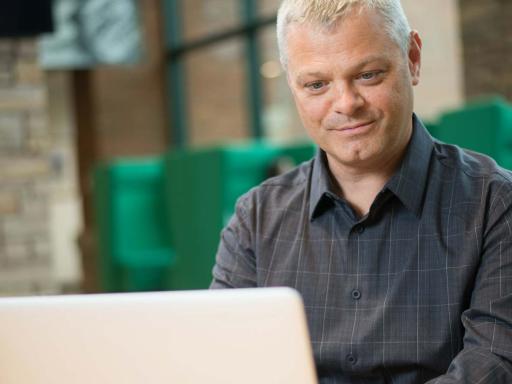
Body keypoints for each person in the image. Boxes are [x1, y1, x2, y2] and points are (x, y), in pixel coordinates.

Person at [210, 0, 512, 382]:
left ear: (412, 58)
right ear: (293, 86)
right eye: (316, 84)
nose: (346, 104)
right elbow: (226, 360)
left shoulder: (496, 204)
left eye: (368, 75)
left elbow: (495, 365)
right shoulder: (256, 218)